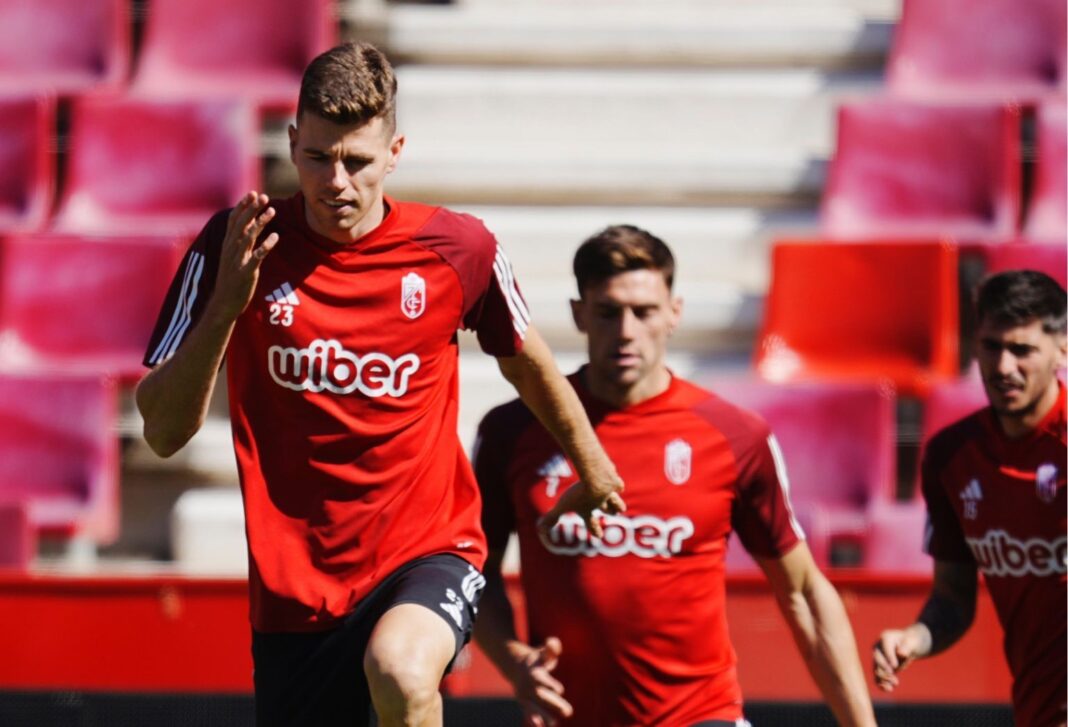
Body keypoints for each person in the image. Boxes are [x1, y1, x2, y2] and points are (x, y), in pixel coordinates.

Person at [135, 41, 623, 727]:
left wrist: (595, 464)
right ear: (292, 140)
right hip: (294, 588)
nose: (336, 181)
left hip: (426, 551)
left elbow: (524, 354)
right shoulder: (235, 243)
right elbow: (161, 432)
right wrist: (227, 305)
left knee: (400, 667)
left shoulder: (460, 249)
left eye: (357, 161)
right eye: (318, 157)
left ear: (394, 152)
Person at [472, 225, 876, 726]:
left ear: (674, 314)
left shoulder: (734, 435)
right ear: (579, 314)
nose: (625, 331)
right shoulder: (513, 431)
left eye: (643, 313)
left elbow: (803, 592)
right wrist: (513, 661)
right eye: (607, 312)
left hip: (701, 716)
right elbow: (475, 574)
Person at [874, 270, 1066, 727]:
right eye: (991, 347)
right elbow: (954, 598)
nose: (1003, 368)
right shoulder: (951, 459)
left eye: (1022, 350)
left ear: (1062, 348)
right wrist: (914, 640)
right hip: (1036, 707)